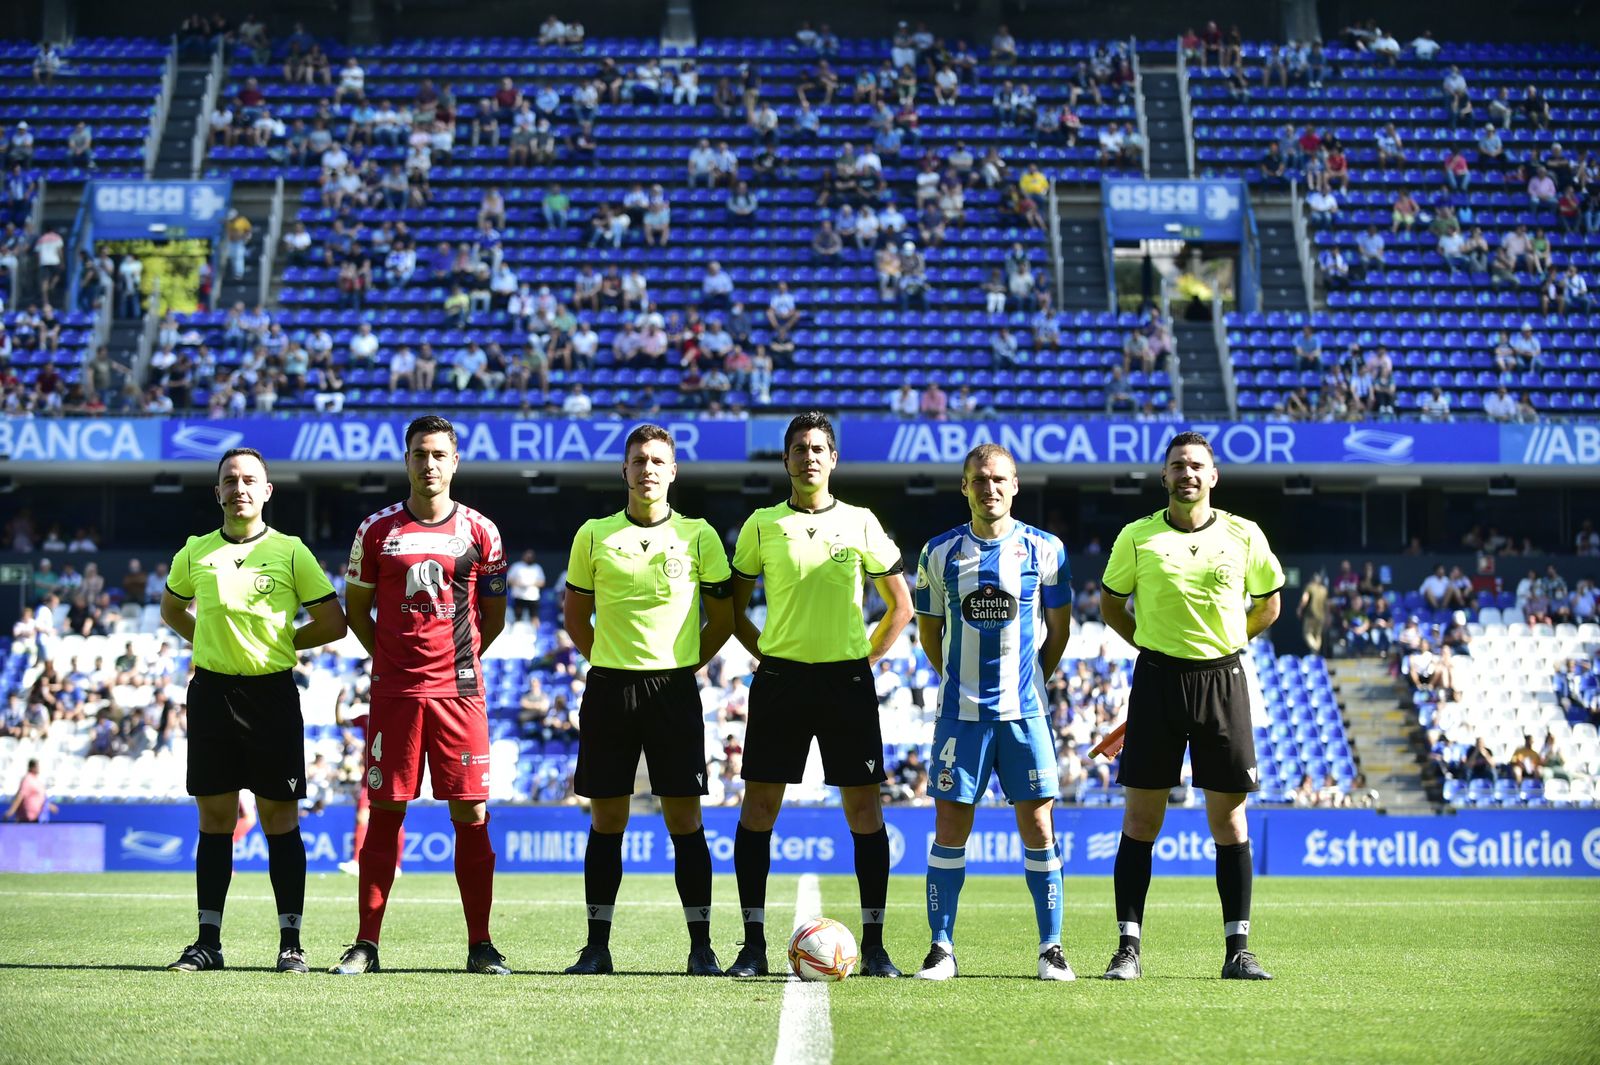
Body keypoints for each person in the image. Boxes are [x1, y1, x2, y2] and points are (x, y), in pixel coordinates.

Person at [726, 411, 913, 978]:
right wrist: (770, 655)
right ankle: (752, 946)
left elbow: (900, 605)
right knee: (758, 809)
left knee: (863, 809)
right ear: (785, 460)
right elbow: (733, 610)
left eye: (818, 448)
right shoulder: (761, 525)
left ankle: (876, 946)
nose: (809, 456)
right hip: (781, 680)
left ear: (833, 460)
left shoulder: (860, 522)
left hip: (845, 681)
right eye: (799, 448)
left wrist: (866, 657)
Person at [1098, 432, 1284, 982]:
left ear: (1214, 476)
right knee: (1141, 819)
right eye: (1178, 465)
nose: (1188, 474)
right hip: (1156, 681)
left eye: (1198, 466)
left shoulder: (1243, 534)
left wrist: (1227, 638)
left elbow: (1269, 604)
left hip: (1223, 680)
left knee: (1229, 820)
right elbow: (1112, 604)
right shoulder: (1137, 537)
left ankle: (1238, 951)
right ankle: (1128, 949)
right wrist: (1151, 642)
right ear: (1164, 476)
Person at [330, 417, 510, 977]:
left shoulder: (483, 532)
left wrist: (454, 660)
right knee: (385, 812)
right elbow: (357, 612)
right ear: (406, 461)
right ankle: (366, 944)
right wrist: (389, 658)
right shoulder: (376, 530)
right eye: (418, 454)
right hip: (396, 692)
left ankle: (480, 946)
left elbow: (494, 617)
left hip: (458, 691)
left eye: (438, 454)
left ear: (454, 462)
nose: (428, 464)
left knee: (472, 812)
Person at [159, 448, 347, 973]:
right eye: (229, 480)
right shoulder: (195, 552)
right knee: (215, 821)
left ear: (267, 491)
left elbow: (334, 623)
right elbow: (171, 608)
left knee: (279, 821)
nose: (239, 488)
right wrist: (208, 641)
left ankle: (291, 945)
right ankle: (208, 943)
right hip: (212, 696)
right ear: (217, 491)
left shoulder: (291, 552)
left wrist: (282, 643)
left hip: (272, 696)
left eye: (249, 480)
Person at [560, 425, 735, 976]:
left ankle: (701, 947)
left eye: (659, 460)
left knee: (685, 819)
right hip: (610, 688)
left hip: (674, 690)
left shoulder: (699, 536)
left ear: (674, 470)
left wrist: (682, 667)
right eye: (639, 460)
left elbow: (724, 620)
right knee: (606, 819)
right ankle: (596, 947)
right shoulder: (593, 534)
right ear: (625, 470)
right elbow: (573, 616)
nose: (648, 469)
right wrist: (610, 660)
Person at [910, 445, 1075, 982]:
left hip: (1024, 715)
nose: (990, 488)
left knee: (1039, 825)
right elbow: (929, 636)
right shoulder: (938, 552)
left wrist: (1032, 682)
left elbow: (1060, 631)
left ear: (1016, 485)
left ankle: (1051, 948)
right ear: (964, 487)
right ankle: (941, 948)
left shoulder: (1045, 550)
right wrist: (959, 683)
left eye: (999, 479)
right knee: (950, 826)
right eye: (979, 479)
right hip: (960, 715)